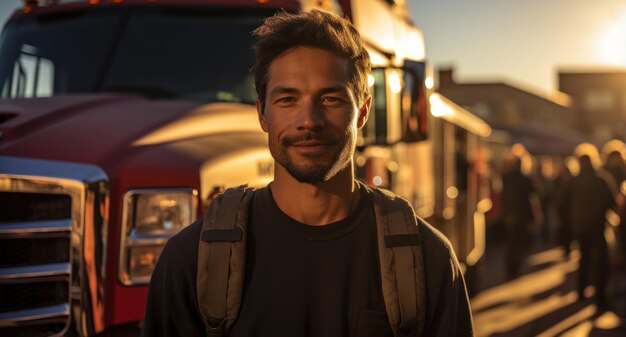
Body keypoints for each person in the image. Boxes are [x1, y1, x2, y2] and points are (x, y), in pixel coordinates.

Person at [141, 9, 473, 337]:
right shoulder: (190, 261)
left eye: (330, 99)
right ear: (262, 114)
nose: (309, 120)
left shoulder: (428, 261)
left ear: (362, 113)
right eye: (287, 99)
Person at [561, 154, 616, 309]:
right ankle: (599, 296)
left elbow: (562, 204)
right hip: (598, 226)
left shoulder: (573, 181)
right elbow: (612, 203)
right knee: (601, 261)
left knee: (583, 258)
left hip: (579, 227)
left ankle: (581, 291)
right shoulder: (601, 180)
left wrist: (570, 222)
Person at [500, 155, 542, 279]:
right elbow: (534, 197)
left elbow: (503, 196)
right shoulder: (526, 179)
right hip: (523, 216)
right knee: (520, 243)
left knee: (511, 243)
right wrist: (536, 215)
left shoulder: (506, 177)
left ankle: (510, 269)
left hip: (510, 216)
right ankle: (515, 268)